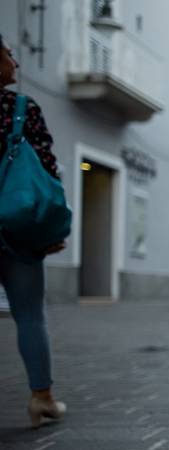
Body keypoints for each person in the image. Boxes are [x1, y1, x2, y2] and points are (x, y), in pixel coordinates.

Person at [0, 34, 69, 428]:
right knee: (29, 315)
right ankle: (41, 397)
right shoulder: (20, 109)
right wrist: (50, 228)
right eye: (8, 53)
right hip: (18, 227)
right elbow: (46, 172)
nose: (16, 62)